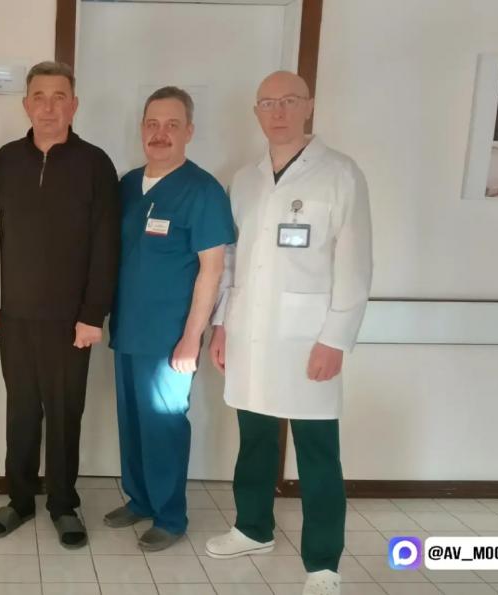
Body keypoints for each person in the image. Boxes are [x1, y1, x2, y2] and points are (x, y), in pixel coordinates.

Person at [204, 71, 373, 595]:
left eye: (289, 101)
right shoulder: (245, 179)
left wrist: (336, 338)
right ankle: (253, 527)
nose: (277, 112)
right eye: (267, 103)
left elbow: (356, 264)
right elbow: (231, 261)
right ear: (256, 111)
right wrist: (221, 325)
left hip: (308, 338)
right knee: (254, 440)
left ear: (309, 106)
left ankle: (323, 563)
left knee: (317, 452)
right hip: (249, 333)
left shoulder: (340, 174)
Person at [0, 61, 120, 549]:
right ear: (26, 104)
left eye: (59, 96)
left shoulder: (95, 164)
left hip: (70, 320)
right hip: (14, 314)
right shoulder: (5, 161)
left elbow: (107, 245)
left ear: (74, 105)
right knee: (21, 411)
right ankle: (20, 499)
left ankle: (63, 503)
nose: (48, 107)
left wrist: (92, 315)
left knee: (64, 413)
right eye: (39, 97)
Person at [103, 87, 235, 551]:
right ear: (142, 128)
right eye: (152, 124)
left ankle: (170, 516)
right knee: (132, 422)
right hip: (127, 328)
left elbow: (212, 269)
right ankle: (139, 499)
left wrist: (191, 338)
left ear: (189, 131)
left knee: (164, 425)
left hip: (170, 336)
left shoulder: (202, 191)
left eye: (172, 125)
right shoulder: (127, 185)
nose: (160, 134)